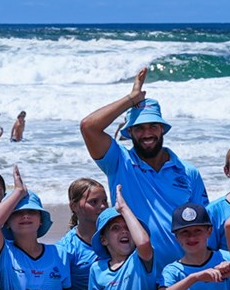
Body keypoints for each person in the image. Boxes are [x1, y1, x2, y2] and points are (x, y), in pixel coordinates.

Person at [81, 68, 210, 272]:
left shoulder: (188, 172)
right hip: (136, 273)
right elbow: (89, 126)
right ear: (130, 131)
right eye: (139, 128)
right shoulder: (118, 162)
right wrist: (132, 98)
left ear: (162, 129)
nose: (147, 133)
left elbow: (204, 226)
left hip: (184, 273)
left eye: (152, 126)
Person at [59, 177, 108, 290]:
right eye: (94, 202)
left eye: (105, 201)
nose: (103, 206)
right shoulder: (66, 248)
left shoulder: (116, 237)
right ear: (74, 206)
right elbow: (53, 288)